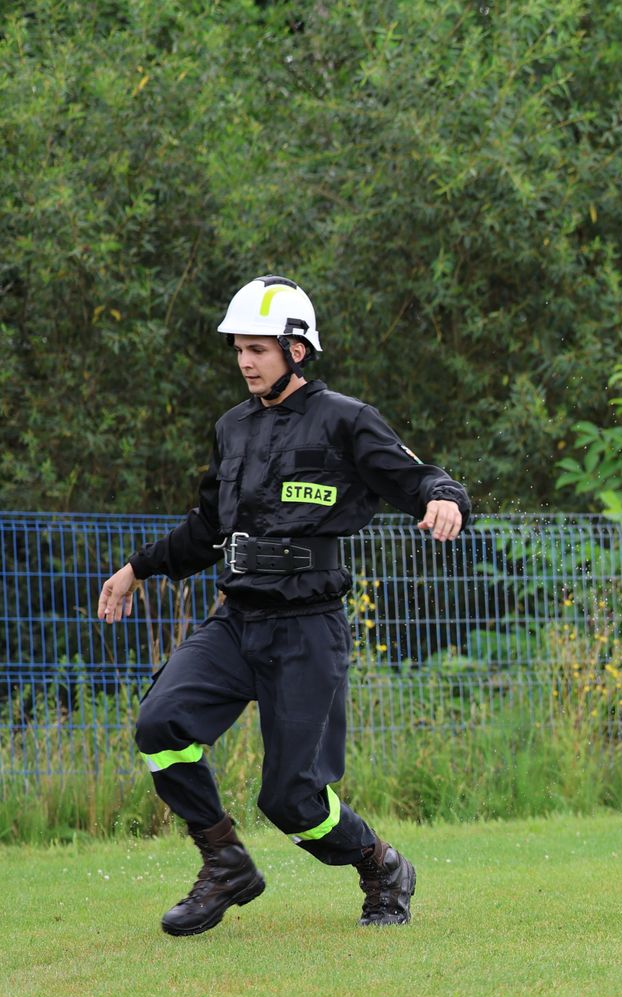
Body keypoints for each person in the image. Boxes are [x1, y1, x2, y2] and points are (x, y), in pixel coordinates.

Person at [96, 276, 471, 936]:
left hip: (307, 628)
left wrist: (445, 499)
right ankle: (225, 863)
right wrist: (136, 569)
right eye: (239, 348)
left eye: (259, 348)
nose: (245, 360)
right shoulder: (231, 428)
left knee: (293, 800)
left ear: (296, 351)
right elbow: (205, 530)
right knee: (161, 724)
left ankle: (381, 864)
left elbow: (418, 478)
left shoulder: (346, 420)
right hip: (237, 621)